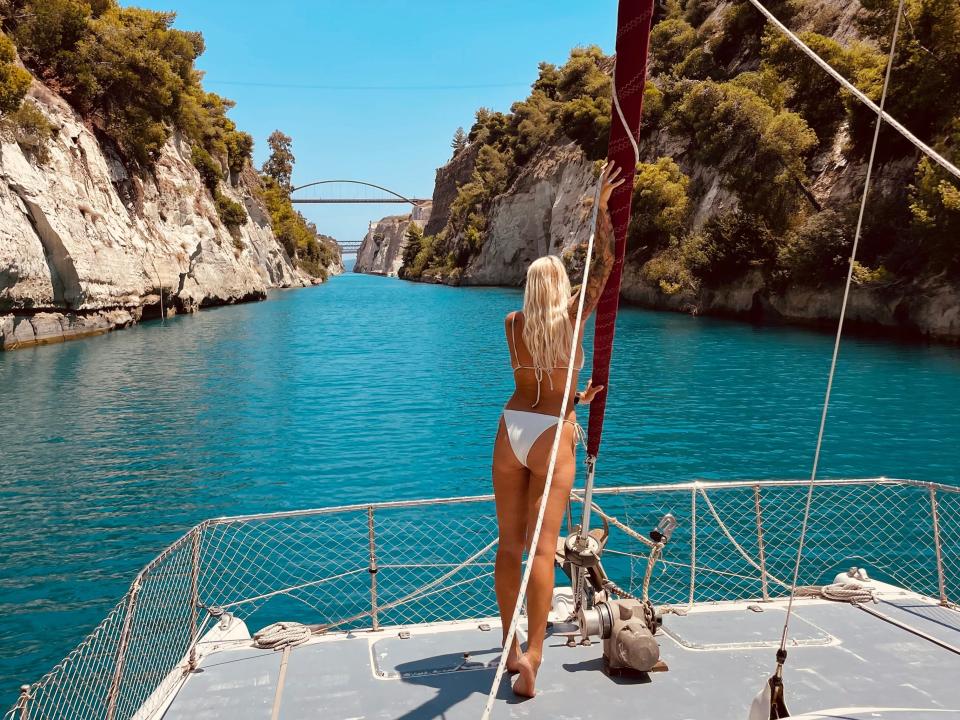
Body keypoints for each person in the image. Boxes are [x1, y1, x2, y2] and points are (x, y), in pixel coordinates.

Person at [492, 163, 623, 697]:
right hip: (552, 431)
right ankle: (535, 658)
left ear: (528, 287)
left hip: (512, 428)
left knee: (509, 546)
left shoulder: (512, 323)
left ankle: (508, 644)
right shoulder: (573, 316)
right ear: (562, 286)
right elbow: (608, 264)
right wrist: (602, 209)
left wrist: (576, 394)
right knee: (544, 550)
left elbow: (538, 378)